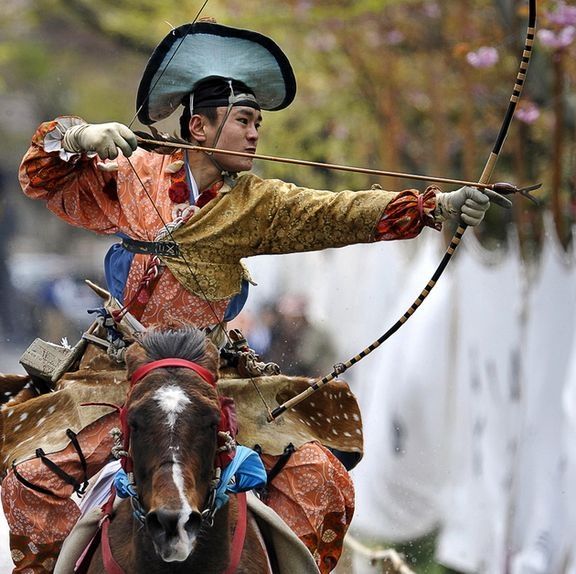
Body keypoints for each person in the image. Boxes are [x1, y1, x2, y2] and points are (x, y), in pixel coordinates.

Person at [7, 19, 506, 573]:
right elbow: (42, 176)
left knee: (323, 480)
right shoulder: (130, 170)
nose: (254, 134)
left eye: (258, 123)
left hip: (214, 379)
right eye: (244, 121)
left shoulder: (258, 203)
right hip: (117, 373)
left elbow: (338, 213)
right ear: (198, 126)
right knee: (31, 480)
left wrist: (436, 206)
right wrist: (80, 137)